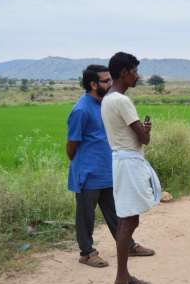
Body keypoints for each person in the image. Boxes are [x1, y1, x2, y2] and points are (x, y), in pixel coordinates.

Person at [66, 65, 154, 268]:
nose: (111, 83)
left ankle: (128, 245)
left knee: (117, 211)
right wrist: (76, 161)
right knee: (85, 216)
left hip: (109, 168)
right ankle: (87, 253)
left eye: (110, 79)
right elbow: (71, 143)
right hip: (88, 171)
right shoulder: (81, 109)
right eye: (106, 81)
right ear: (93, 84)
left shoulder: (107, 104)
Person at [101, 52, 161, 284]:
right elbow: (143, 139)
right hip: (129, 162)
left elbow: (131, 133)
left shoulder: (108, 98)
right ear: (124, 72)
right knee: (127, 222)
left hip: (122, 160)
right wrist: (145, 132)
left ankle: (125, 276)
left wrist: (139, 132)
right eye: (135, 71)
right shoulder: (123, 101)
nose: (138, 75)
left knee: (129, 219)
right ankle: (120, 283)